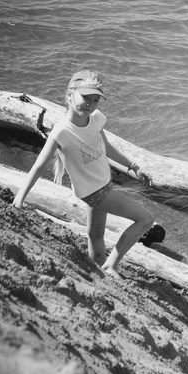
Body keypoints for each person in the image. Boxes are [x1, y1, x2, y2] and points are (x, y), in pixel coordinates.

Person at [13, 69, 155, 279]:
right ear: (70, 95)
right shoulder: (62, 130)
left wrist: (134, 166)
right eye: (85, 97)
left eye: (95, 100)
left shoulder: (94, 119)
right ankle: (110, 266)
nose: (90, 104)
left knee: (96, 235)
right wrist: (19, 199)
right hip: (95, 192)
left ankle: (97, 272)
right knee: (145, 219)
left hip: (102, 184)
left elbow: (106, 148)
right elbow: (38, 166)